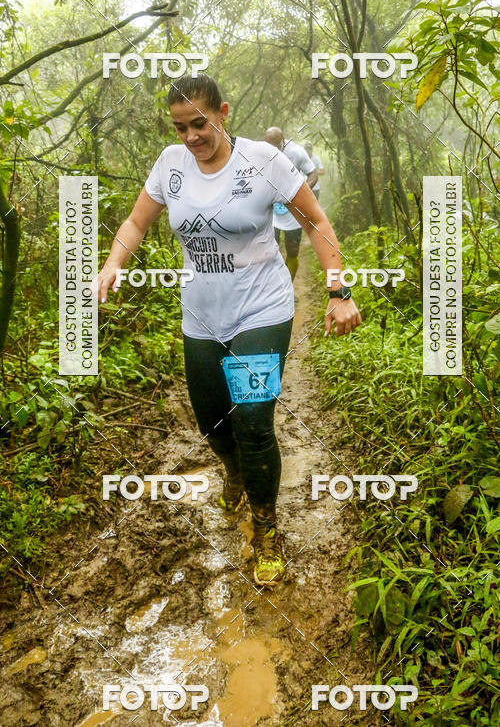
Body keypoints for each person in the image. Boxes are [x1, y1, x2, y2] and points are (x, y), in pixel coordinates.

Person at [95, 75, 361, 586]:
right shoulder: (171, 166)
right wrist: (114, 264)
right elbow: (135, 223)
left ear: (223, 112)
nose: (191, 137)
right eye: (180, 127)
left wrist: (337, 290)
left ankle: (265, 531)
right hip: (201, 317)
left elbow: (316, 223)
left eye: (199, 123)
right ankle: (233, 471)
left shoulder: (263, 160)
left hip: (261, 310)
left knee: (254, 421)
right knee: (213, 424)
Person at [264, 127, 316, 282]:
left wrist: (301, 193)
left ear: (283, 140)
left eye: (275, 146)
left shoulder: (297, 152)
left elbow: (313, 174)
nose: (272, 150)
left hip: (292, 210)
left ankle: (288, 286)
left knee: (292, 250)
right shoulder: (262, 151)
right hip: (271, 209)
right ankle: (273, 288)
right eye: (269, 145)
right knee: (268, 250)